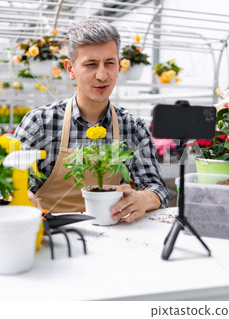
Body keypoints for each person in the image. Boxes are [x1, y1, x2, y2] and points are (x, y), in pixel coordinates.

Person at [14, 19, 169, 223]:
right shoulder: (39, 123)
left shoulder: (133, 127)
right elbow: (8, 184)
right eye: (91, 64)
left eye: (110, 63)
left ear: (119, 65)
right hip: (53, 237)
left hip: (114, 238)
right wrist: (20, 196)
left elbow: (157, 188)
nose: (102, 75)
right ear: (70, 69)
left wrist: (145, 198)